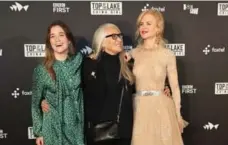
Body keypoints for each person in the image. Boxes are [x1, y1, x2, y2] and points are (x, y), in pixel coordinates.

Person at [41, 22, 171, 145]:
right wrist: (46, 100)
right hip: (98, 133)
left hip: (124, 132)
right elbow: (68, 86)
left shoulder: (128, 65)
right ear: (101, 41)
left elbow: (145, 84)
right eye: (113, 37)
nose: (119, 39)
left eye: (120, 36)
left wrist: (163, 88)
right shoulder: (87, 64)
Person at [126, 9, 188, 145]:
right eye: (141, 24)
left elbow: (175, 87)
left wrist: (178, 115)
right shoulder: (132, 54)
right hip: (140, 108)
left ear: (158, 28)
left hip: (162, 108)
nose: (143, 27)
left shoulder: (167, 54)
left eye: (148, 23)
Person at [31, 20, 84, 145]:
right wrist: (39, 133)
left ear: (69, 39)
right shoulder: (42, 70)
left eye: (61, 35)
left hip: (76, 128)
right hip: (53, 129)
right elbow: (35, 104)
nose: (57, 40)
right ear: (49, 42)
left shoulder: (80, 62)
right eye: (52, 36)